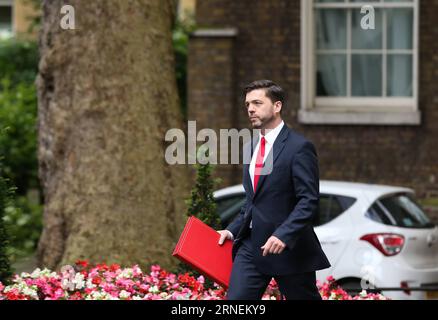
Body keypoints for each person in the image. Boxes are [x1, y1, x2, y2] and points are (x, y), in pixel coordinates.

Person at [218, 80, 331, 300]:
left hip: (290, 247)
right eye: (248, 104)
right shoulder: (249, 147)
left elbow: (308, 200)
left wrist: (283, 234)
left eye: (258, 103)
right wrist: (231, 230)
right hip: (251, 246)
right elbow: (253, 202)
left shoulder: (299, 147)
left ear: (277, 106)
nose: (250, 109)